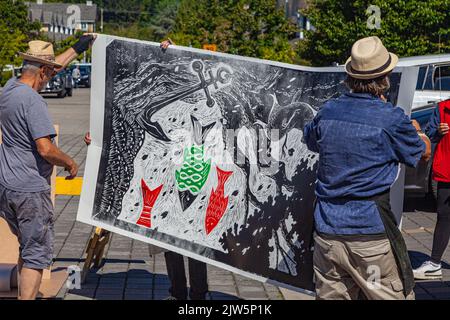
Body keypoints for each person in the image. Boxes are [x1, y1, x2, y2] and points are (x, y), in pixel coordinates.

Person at [303, 36, 431, 300]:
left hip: (327, 232)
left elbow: (310, 140)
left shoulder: (328, 111)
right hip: (369, 234)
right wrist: (420, 134)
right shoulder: (391, 118)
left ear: (350, 76)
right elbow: (421, 153)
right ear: (386, 77)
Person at [0, 34, 96, 300]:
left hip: (6, 187)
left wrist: (80, 46)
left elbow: (53, 67)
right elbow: (45, 149)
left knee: (27, 247)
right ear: (42, 71)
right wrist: (70, 161)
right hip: (29, 191)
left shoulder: (9, 90)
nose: (50, 79)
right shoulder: (33, 102)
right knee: (37, 254)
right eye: (49, 74)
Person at [413, 99, 450, 279]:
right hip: (447, 170)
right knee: (444, 215)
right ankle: (435, 263)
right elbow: (429, 134)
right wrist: (437, 131)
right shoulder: (443, 108)